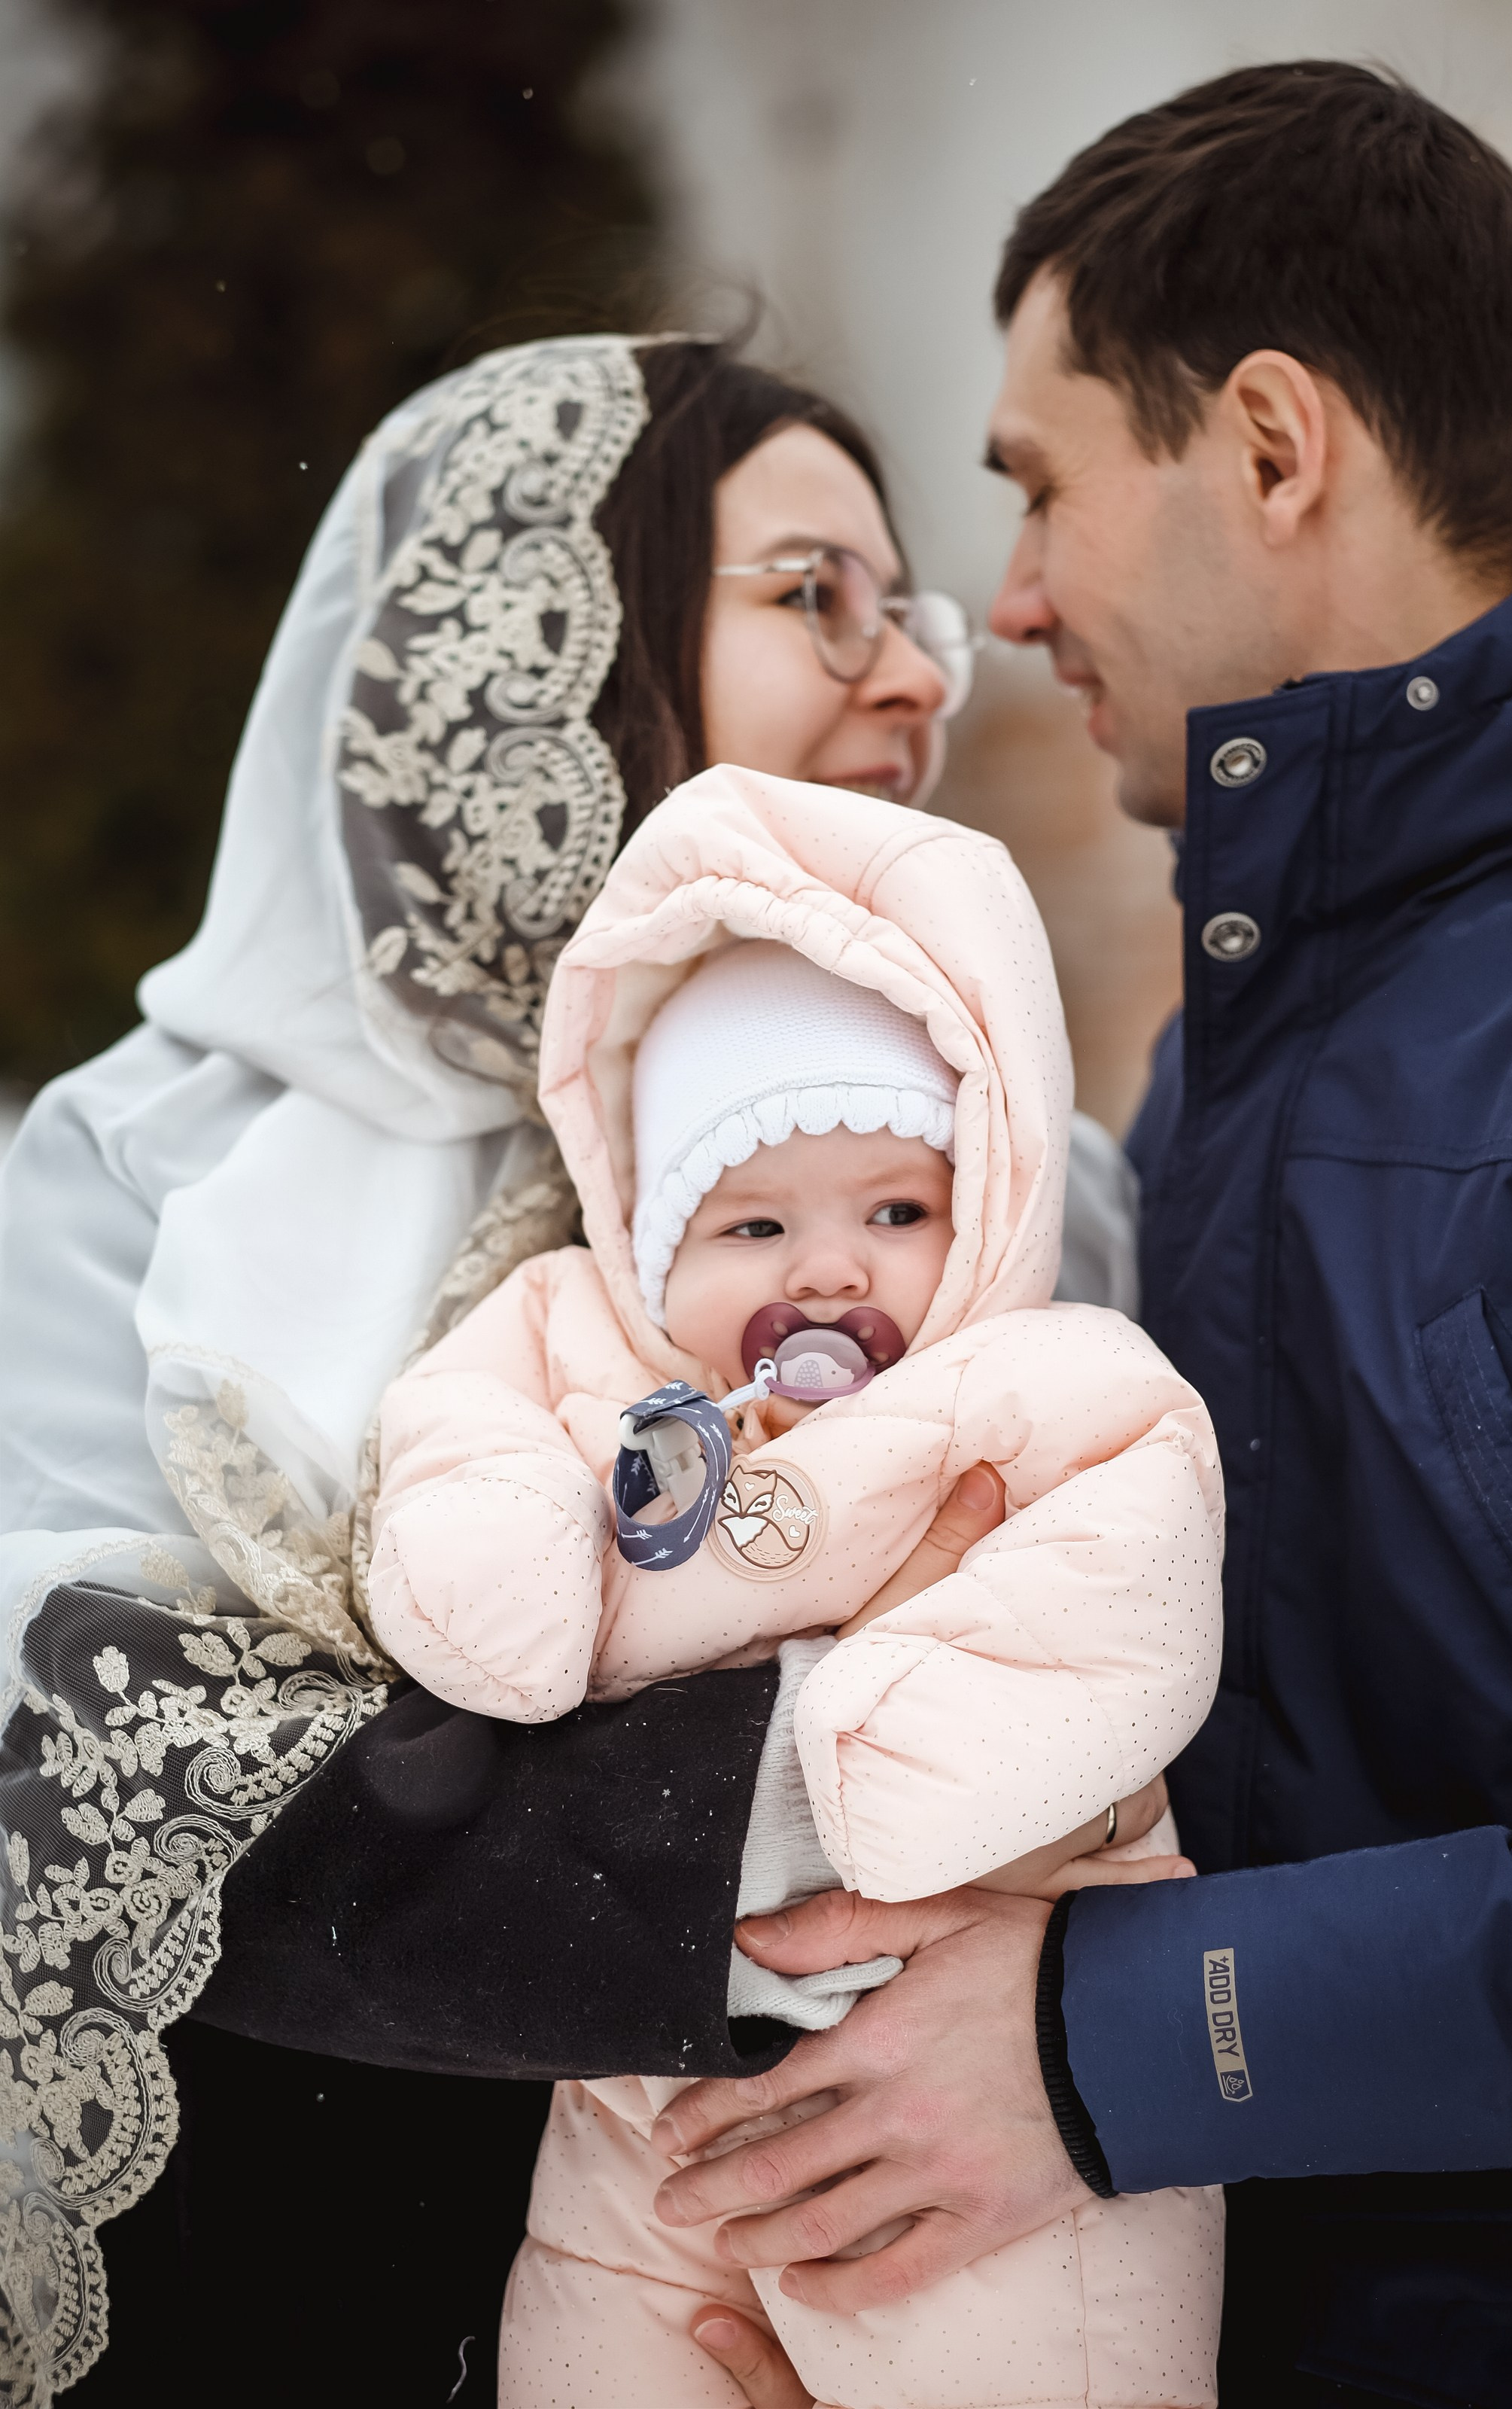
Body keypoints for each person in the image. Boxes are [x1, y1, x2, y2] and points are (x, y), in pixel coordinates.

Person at [0, 330, 1139, 2404]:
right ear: (539, 662)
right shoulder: (150, 1178)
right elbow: (86, 1775)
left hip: (872, 2281)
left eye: (910, 612)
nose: (911, 675)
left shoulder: (1011, 1173)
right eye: (814, 599)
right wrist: (761, 1814)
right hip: (298, 2301)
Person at [643, 61, 1512, 2409]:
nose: (1014, 605)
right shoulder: (1271, 989)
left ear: (1270, 448)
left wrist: (1132, 2040)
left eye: (1039, 489)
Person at [368, 766, 1225, 2406]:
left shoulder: (1037, 1380)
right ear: (646, 1240)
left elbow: (1130, 1573)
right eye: (754, 1219)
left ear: (977, 1208)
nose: (830, 1267)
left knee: (1019, 2354)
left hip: (988, 1994)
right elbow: (453, 1453)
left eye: (895, 1210)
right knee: (603, 2336)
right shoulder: (579, 1353)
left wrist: (918, 1741)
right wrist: (505, 1575)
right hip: (644, 2073)